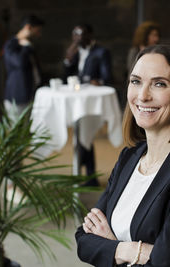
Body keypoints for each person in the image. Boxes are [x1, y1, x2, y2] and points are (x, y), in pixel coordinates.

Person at [75, 45, 170, 266]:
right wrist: (131, 250)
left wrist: (111, 247)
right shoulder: (129, 157)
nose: (143, 95)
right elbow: (84, 239)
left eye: (159, 84)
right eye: (136, 81)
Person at [63, 24, 113, 184]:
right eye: (75, 35)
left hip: (92, 101)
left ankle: (82, 174)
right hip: (78, 99)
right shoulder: (76, 52)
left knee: (85, 135)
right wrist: (68, 60)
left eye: (81, 35)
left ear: (90, 36)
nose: (77, 39)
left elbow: (107, 78)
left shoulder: (101, 52)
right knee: (83, 136)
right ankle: (89, 175)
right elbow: (66, 77)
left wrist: (95, 81)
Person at [3, 14, 44, 123]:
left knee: (28, 131)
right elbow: (19, 62)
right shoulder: (11, 44)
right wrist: (26, 46)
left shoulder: (29, 45)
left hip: (31, 95)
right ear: (28, 28)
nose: (39, 34)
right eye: (37, 30)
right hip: (17, 97)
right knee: (16, 133)